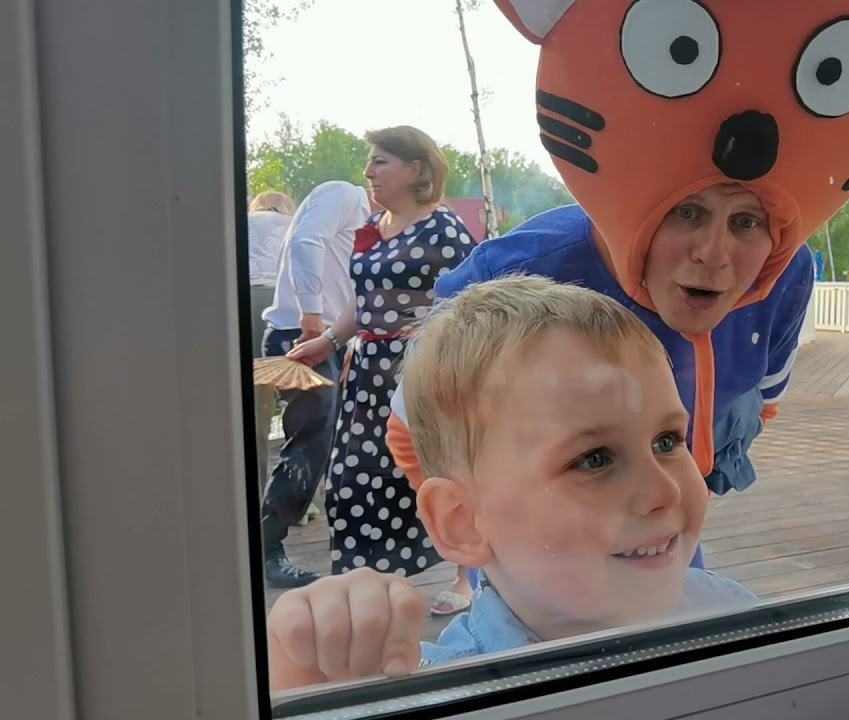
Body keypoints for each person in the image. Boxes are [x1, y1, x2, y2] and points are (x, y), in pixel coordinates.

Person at [385, 0, 849, 566]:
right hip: (537, 560)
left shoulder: (784, 277)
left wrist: (694, 471)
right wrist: (489, 551)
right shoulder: (521, 275)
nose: (715, 253)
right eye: (686, 213)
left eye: (747, 222)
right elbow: (411, 429)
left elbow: (760, 400)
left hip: (667, 536)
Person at [266, 277, 756, 690]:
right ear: (462, 523)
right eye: (594, 459)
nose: (665, 492)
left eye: (667, 441)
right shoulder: (442, 687)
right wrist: (304, 672)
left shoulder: (730, 613)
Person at [286, 126, 474, 602]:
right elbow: (363, 298)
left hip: (420, 370)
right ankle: (368, 581)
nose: (368, 171)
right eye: (370, 162)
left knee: (436, 468)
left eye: (380, 161)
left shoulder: (444, 230)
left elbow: (469, 301)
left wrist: (442, 352)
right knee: (352, 477)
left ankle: (467, 578)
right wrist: (328, 340)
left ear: (416, 169)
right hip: (368, 372)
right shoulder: (372, 228)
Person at [258, 181, 370, 588]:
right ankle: (267, 546)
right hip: (301, 332)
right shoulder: (344, 194)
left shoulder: (376, 225)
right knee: (311, 442)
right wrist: (311, 313)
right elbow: (306, 241)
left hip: (329, 339)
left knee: (328, 442)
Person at [246, 190, 296, 491]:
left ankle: (252, 489)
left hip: (242, 301)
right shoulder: (295, 223)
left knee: (254, 410)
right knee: (296, 402)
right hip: (285, 306)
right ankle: (292, 490)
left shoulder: (245, 221)